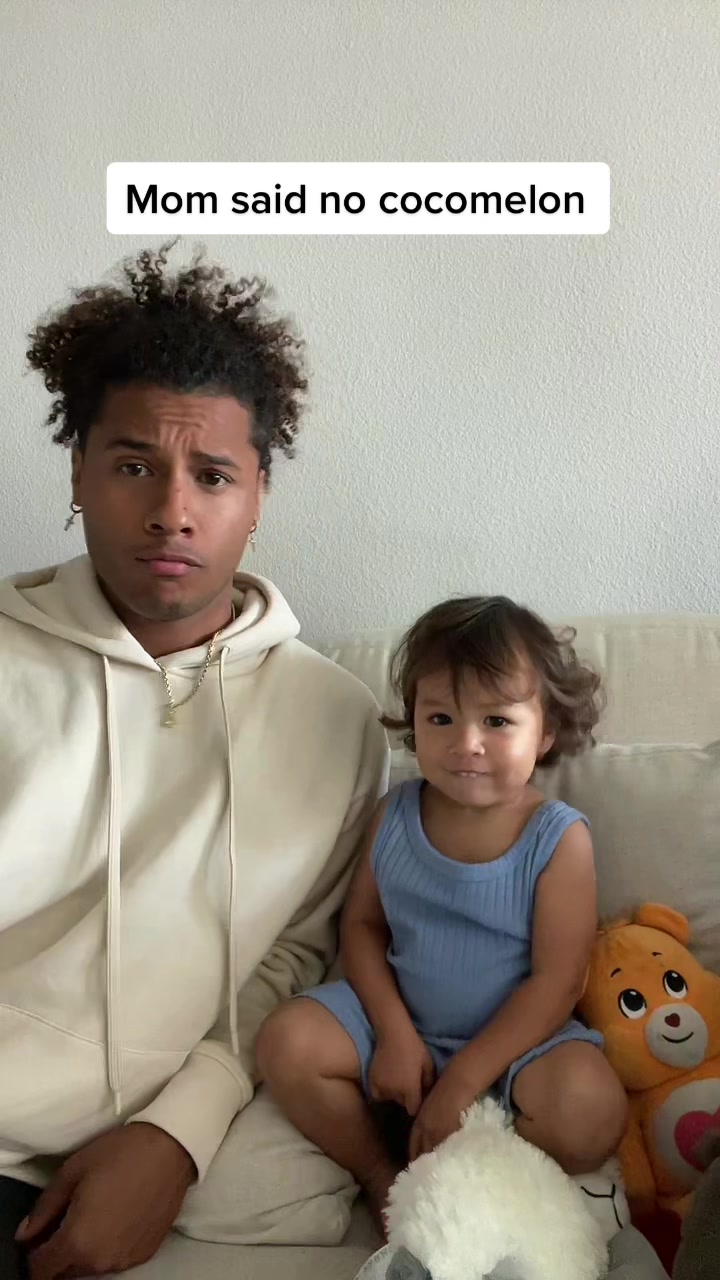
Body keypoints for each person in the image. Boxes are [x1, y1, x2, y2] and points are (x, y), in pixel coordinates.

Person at [0, 244, 388, 1279]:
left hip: (130, 1155)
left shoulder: (336, 720)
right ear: (78, 473)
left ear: (257, 496)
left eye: (212, 475)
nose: (172, 509)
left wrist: (178, 1135)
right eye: (134, 465)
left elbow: (291, 958)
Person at [258, 596, 629, 1230]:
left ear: (545, 731)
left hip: (519, 1047)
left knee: (590, 1112)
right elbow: (362, 928)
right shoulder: (394, 813)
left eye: (497, 721)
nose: (466, 744)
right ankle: (382, 1175)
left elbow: (559, 982)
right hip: (400, 1026)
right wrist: (395, 1034)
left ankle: (481, 1176)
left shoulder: (557, 837)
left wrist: (461, 1084)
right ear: (413, 723)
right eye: (440, 718)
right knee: (284, 1043)